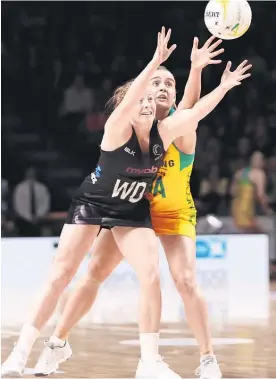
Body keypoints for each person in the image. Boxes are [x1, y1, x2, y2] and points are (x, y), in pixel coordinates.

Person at [2, 28, 251, 378]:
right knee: (80, 275)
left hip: (154, 211)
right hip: (109, 206)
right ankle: (45, 345)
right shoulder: (120, 126)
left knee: (169, 278)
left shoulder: (171, 131)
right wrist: (155, 63)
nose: (155, 96)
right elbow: (145, 97)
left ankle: (178, 360)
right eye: (148, 93)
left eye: (166, 88)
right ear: (133, 104)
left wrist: (214, 81)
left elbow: (194, 110)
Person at [231, 151, 272, 232]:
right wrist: (268, 210)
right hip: (247, 211)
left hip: (236, 211)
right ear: (262, 162)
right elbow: (260, 195)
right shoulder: (259, 174)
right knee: (263, 233)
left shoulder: (240, 172)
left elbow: (232, 191)